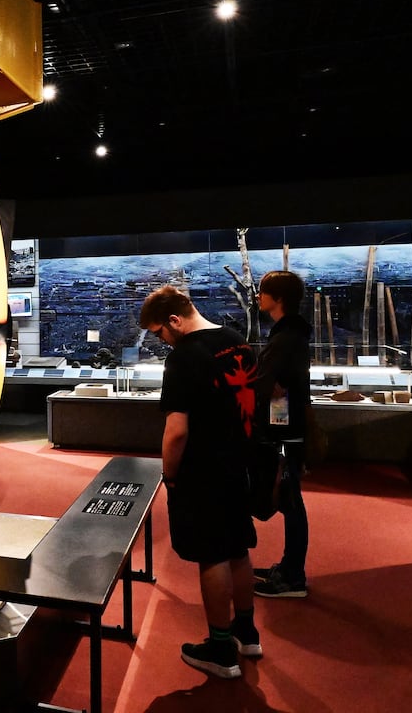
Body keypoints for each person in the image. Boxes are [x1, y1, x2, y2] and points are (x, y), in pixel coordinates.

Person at [139, 285, 260, 679]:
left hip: (202, 470)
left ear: (174, 320)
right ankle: (247, 632)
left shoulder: (185, 358)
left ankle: (221, 649)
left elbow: (176, 431)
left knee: (212, 555)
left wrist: (169, 475)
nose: (162, 341)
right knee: (238, 547)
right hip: (238, 462)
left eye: (160, 332)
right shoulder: (235, 341)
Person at [253, 270, 313, 598]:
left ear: (279, 299)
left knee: (290, 499)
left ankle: (293, 577)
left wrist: (265, 384)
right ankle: (290, 568)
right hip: (288, 426)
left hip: (285, 430)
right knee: (290, 498)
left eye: (263, 292)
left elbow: (267, 381)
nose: (259, 297)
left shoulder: (285, 337)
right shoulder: (291, 334)